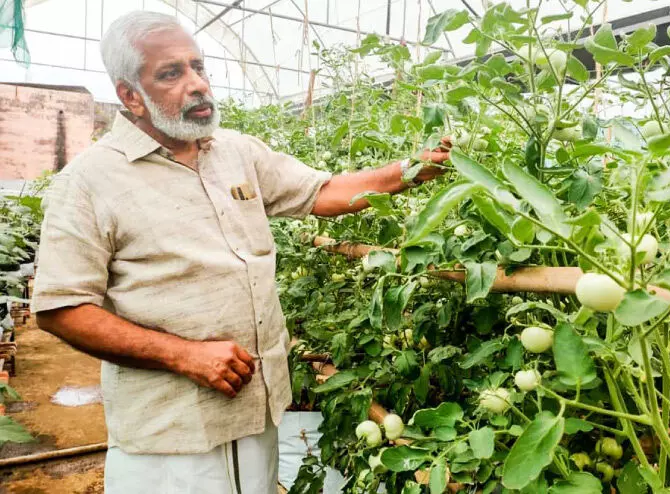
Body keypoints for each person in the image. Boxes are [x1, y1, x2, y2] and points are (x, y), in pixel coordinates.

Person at [31, 11, 448, 494]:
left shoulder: (235, 152)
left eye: (198, 66)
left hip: (256, 407)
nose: (197, 84)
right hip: (171, 430)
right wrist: (182, 355)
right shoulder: (89, 181)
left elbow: (324, 191)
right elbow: (61, 308)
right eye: (171, 73)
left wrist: (411, 170)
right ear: (130, 96)